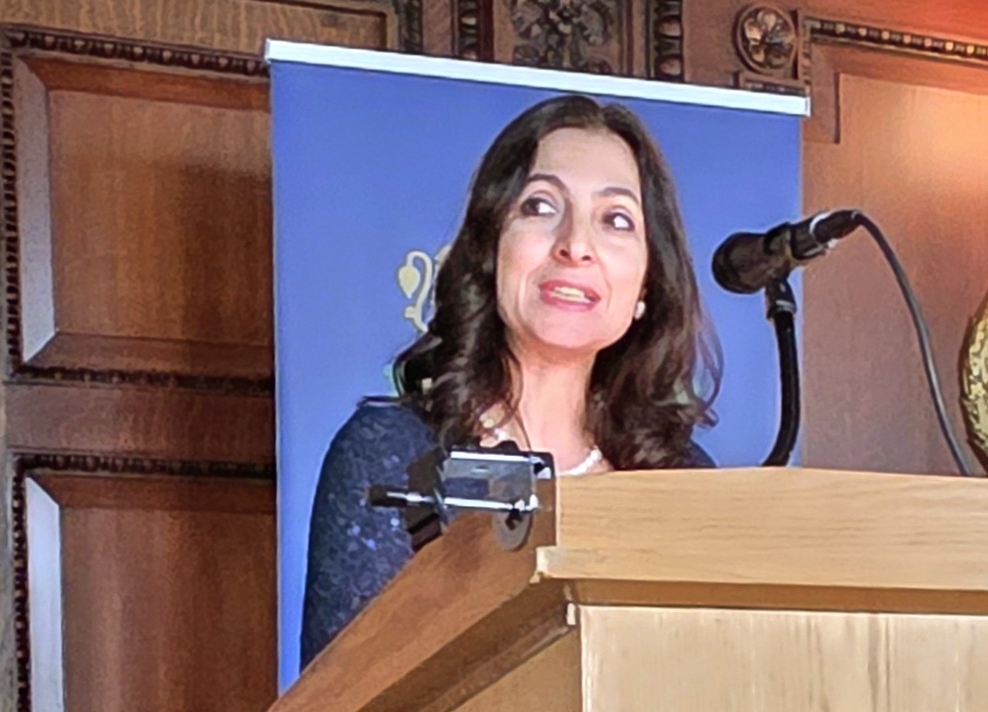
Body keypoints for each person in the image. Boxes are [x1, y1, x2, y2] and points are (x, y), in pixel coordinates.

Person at [298, 94, 719, 664]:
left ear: (646, 286)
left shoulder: (683, 479)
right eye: (541, 206)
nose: (575, 245)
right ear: (492, 248)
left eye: (615, 219)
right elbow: (338, 705)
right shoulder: (392, 454)